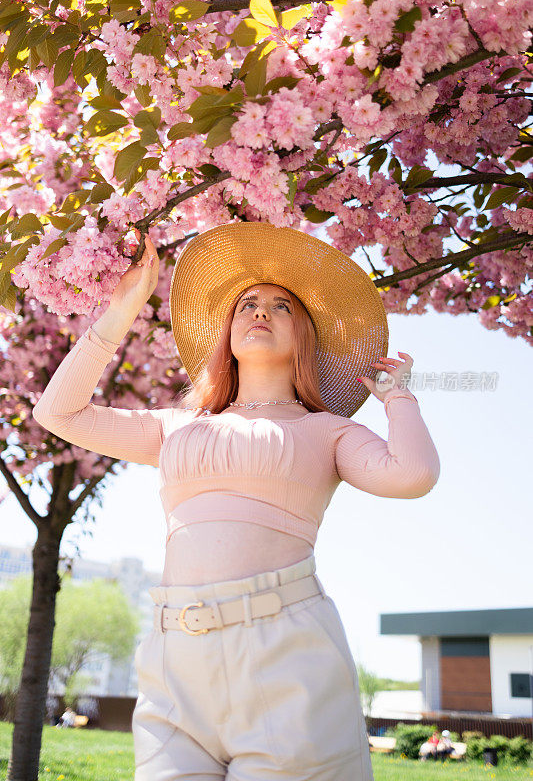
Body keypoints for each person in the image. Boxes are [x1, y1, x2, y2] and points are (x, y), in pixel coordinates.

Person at [33, 222, 441, 780]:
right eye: (247, 303)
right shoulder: (176, 427)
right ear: (226, 332)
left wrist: (399, 400)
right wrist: (122, 309)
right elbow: (58, 414)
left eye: (282, 306)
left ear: (306, 337)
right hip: (175, 659)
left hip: (284, 651)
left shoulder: (329, 431)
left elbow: (413, 475)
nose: (260, 311)